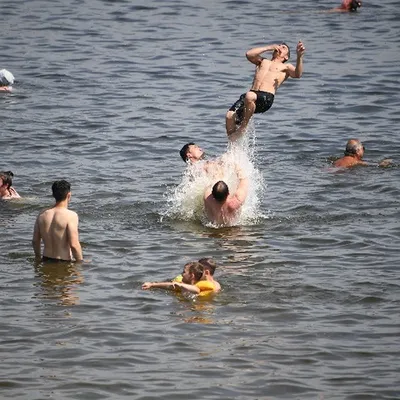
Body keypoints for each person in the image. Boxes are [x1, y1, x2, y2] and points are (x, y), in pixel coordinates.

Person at [226, 41, 305, 140]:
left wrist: (299, 56)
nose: (280, 47)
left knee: (249, 95)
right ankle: (233, 146)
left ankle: (243, 128)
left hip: (265, 97)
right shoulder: (262, 61)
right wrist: (269, 47)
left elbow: (298, 74)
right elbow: (249, 54)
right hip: (250, 96)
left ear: (286, 57)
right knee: (230, 116)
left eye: (284, 47)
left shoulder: (286, 66)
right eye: (279, 45)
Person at [32, 180, 83, 262]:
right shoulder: (71, 215)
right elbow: (74, 244)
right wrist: (80, 262)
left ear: (53, 195)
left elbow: (35, 241)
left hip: (46, 259)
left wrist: (38, 258)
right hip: (63, 262)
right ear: (69, 195)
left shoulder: (42, 214)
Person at [142, 261, 211, 295]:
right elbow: (170, 285)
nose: (181, 274)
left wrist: (180, 285)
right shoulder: (181, 285)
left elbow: (196, 290)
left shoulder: (199, 286)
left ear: (192, 276)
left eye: (184, 272)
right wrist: (152, 285)